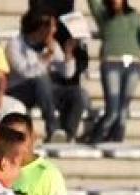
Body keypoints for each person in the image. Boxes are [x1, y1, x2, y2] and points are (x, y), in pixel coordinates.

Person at [82, 0, 140, 143]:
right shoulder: (103, 13)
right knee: (113, 110)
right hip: (111, 62)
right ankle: (94, 139)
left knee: (123, 111)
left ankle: (116, 140)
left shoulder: (134, 15)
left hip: (133, 63)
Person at [6, 10, 86, 142]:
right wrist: (47, 56)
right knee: (42, 80)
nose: (54, 31)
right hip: (20, 90)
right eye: (52, 27)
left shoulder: (52, 45)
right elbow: (26, 73)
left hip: (44, 91)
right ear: (41, 28)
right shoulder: (15, 44)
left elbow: (67, 74)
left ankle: (67, 135)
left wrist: (68, 55)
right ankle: (52, 127)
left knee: (77, 93)